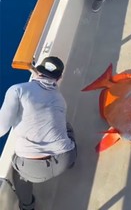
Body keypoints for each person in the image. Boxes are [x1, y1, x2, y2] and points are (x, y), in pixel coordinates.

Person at [0, 56, 77, 210]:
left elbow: (1, 129)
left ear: (37, 71)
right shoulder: (60, 99)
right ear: (59, 77)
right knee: (66, 126)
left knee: (18, 170)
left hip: (32, 171)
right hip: (65, 159)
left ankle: (27, 206)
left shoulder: (17, 90)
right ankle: (72, 163)